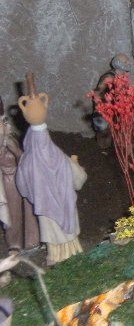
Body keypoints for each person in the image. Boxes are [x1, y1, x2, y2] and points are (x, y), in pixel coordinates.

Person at [15, 80, 85, 266]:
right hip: (61, 202)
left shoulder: (27, 161)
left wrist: (33, 192)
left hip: (45, 203)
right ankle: (69, 251)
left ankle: (57, 255)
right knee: (63, 228)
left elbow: (23, 185)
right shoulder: (58, 157)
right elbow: (77, 177)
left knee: (52, 229)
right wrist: (75, 165)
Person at [0, 99, 39, 254]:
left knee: (26, 210)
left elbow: (21, 156)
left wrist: (13, 148)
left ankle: (31, 241)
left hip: (17, 176)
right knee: (12, 214)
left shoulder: (9, 136)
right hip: (6, 180)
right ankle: (14, 243)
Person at [92, 53, 134, 148]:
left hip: (118, 108)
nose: (128, 63)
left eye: (127, 61)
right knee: (103, 129)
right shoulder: (109, 77)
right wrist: (99, 108)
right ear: (119, 64)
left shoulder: (123, 76)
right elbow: (98, 92)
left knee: (123, 126)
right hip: (106, 107)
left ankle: (122, 146)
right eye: (125, 62)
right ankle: (103, 146)